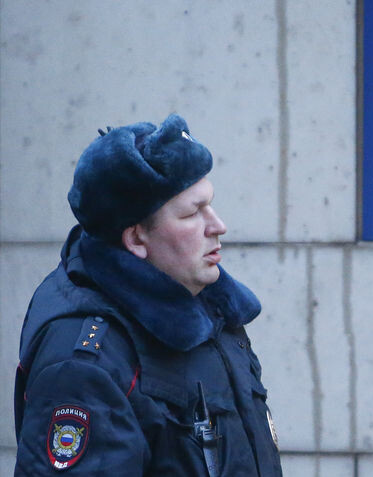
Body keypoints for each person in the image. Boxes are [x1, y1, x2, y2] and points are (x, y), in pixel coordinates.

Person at [13, 114, 283, 476]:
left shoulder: (210, 308)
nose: (218, 226)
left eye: (210, 204)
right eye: (192, 213)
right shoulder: (82, 366)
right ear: (137, 238)